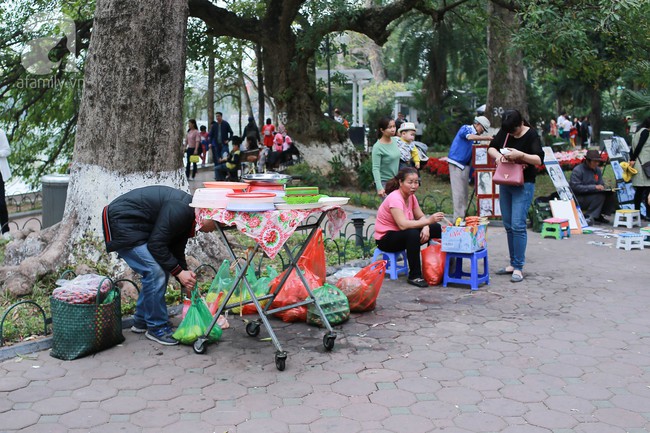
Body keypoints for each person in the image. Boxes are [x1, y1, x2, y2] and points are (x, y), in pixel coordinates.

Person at [101, 185, 217, 345]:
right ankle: (157, 327)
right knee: (155, 271)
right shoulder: (181, 210)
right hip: (122, 222)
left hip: (137, 226)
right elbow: (156, 245)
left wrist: (184, 275)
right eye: (216, 224)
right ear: (206, 214)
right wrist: (179, 273)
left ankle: (141, 321)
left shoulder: (189, 215)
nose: (214, 230)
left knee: (160, 268)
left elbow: (175, 250)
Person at [488, 109, 544, 283]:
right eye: (508, 131)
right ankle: (512, 263)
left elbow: (539, 159)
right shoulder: (506, 130)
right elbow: (492, 148)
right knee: (508, 225)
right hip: (506, 181)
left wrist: (521, 155)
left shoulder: (531, 134)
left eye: (514, 130)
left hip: (524, 184)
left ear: (521, 123)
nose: (511, 134)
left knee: (518, 225)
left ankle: (518, 266)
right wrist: (498, 157)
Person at [374, 167, 445, 288]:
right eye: (410, 182)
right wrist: (427, 221)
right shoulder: (395, 198)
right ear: (400, 183)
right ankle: (415, 275)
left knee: (436, 227)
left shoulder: (411, 196)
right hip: (386, 239)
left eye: (416, 182)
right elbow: (402, 224)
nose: (414, 186)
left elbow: (421, 216)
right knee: (412, 234)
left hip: (402, 234)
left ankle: (434, 267)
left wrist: (427, 225)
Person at [447, 116, 494, 220]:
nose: (482, 132)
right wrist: (486, 138)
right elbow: (469, 137)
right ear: (478, 124)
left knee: (464, 194)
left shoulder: (476, 138)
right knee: (458, 193)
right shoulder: (466, 128)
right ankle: (458, 219)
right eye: (483, 129)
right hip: (457, 162)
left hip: (466, 165)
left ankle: (462, 217)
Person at [569, 150, 617, 225]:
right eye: (594, 162)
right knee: (599, 196)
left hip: (593, 194)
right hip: (580, 197)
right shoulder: (578, 170)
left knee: (610, 194)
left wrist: (603, 187)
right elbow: (575, 187)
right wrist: (594, 187)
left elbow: (600, 183)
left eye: (597, 162)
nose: (596, 164)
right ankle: (591, 216)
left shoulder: (597, 170)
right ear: (588, 161)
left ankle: (600, 215)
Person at [371, 116, 400, 198]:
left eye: (394, 126)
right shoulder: (378, 147)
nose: (393, 129)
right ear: (382, 130)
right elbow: (375, 168)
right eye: (389, 127)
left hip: (396, 182)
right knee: (391, 209)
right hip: (385, 184)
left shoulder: (395, 141)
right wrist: (379, 187)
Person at [629, 117, 650, 218]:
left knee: (640, 190)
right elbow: (639, 146)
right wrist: (632, 159)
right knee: (647, 190)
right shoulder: (646, 132)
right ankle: (648, 214)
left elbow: (632, 148)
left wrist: (632, 159)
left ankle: (637, 213)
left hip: (639, 164)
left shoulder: (638, 132)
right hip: (644, 165)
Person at [0, 128, 11, 239]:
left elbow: (7, 150)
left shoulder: (0, 132)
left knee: (1, 203)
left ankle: (5, 231)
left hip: (0, 173)